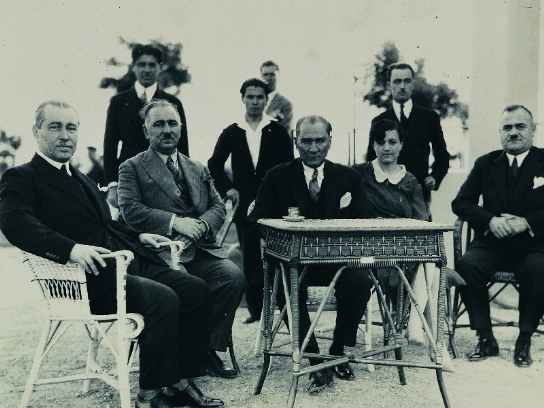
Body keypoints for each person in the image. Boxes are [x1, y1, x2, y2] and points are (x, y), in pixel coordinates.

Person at [0, 101, 223, 408]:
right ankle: (149, 395)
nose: (65, 135)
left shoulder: (79, 176)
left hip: (122, 265)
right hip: (84, 280)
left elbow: (107, 223)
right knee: (163, 298)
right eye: (55, 127)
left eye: (71, 128)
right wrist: (70, 249)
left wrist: (138, 235)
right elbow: (13, 221)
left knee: (197, 290)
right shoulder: (22, 176)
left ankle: (177, 382)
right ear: (36, 132)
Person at [118, 99, 245, 379]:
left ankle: (206, 351)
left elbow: (218, 207)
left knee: (232, 277)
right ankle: (181, 357)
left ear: (181, 127)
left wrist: (199, 225)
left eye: (172, 123)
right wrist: (176, 223)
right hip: (159, 253)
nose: (167, 130)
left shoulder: (196, 167)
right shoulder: (132, 167)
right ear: (146, 130)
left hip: (199, 249)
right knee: (188, 287)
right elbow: (129, 210)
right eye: (158, 124)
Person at [247, 115, 373, 394]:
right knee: (288, 287)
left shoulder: (349, 177)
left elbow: (365, 220)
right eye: (306, 141)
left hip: (337, 260)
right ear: (296, 141)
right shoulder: (276, 176)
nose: (313, 148)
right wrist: (280, 234)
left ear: (330, 141)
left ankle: (337, 350)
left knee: (360, 279)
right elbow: (256, 222)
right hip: (293, 261)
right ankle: (315, 360)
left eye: (320, 141)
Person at [452, 104, 544, 368]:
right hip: (492, 244)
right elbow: (461, 202)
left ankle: (524, 339)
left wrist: (527, 222)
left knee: (539, 268)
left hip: (533, 245)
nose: (513, 133)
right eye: (507, 127)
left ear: (533, 130)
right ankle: (485, 337)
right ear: (500, 132)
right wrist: (490, 221)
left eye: (520, 126)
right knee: (467, 265)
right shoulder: (485, 163)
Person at [208, 78, 294, 324]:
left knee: (280, 256)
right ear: (242, 99)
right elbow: (214, 164)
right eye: (250, 97)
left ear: (266, 100)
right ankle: (256, 310)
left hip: (274, 205)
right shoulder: (233, 131)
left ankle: (286, 308)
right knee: (251, 258)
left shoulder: (277, 130)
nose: (255, 102)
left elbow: (289, 167)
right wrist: (228, 189)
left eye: (260, 97)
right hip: (244, 206)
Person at [103, 44, 189, 209]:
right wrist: (112, 185)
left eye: (152, 65)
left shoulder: (173, 103)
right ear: (133, 67)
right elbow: (110, 145)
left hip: (165, 178)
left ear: (160, 67)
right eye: (142, 64)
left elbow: (182, 145)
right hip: (129, 177)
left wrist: (184, 182)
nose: (147, 70)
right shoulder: (118, 102)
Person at [366, 62, 449, 211]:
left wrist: (435, 177)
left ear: (413, 84)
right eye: (397, 81)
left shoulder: (429, 117)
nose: (402, 86)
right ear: (389, 85)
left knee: (421, 227)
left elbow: (442, 155)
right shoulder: (379, 121)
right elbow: (371, 160)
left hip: (419, 195)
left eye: (407, 81)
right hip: (387, 196)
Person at [353, 119, 428, 221]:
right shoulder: (359, 172)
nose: (386, 148)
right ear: (373, 145)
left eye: (392, 142)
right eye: (380, 143)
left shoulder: (411, 181)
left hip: (403, 231)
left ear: (401, 145)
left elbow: (421, 222)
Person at [260, 60, 293, 135]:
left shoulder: (285, 104)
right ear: (261, 77)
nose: (268, 78)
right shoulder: (254, 100)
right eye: (265, 75)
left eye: (272, 74)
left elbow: (285, 134)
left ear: (278, 76)